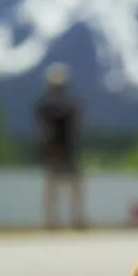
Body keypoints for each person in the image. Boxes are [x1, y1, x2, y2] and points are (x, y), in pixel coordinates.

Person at [35, 64, 87, 229]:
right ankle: (54, 220)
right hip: (56, 149)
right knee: (54, 185)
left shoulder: (52, 104)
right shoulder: (50, 105)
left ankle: (71, 219)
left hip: (64, 148)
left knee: (70, 184)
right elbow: (45, 129)